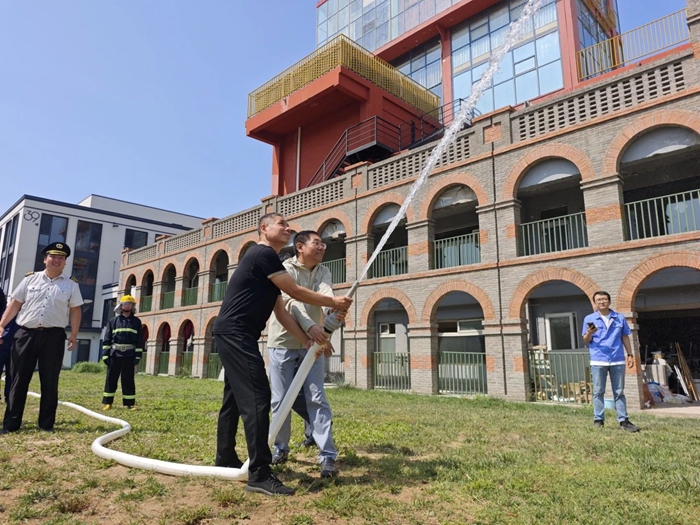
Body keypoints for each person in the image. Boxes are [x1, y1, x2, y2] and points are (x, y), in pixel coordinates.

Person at [213, 213, 352, 496]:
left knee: (234, 398)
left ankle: (225, 458)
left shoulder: (270, 263)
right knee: (258, 397)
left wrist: (306, 340)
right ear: (264, 229)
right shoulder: (262, 253)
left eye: (288, 226)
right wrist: (333, 301)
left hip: (236, 334)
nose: (288, 228)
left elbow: (281, 310)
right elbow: (295, 292)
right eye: (282, 224)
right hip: (236, 333)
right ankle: (260, 473)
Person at [267, 230, 342, 478]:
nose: (322, 248)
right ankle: (280, 448)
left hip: (312, 344)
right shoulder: (285, 269)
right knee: (281, 400)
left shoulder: (323, 270)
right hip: (283, 343)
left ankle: (327, 456)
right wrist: (311, 329)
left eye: (323, 244)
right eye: (316, 243)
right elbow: (292, 302)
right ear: (300, 246)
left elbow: (326, 293)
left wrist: (333, 311)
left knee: (317, 397)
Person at [0, 242, 83, 434]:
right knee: (18, 379)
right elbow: (15, 304)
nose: (56, 260)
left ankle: (46, 425)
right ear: (45, 259)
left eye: (61, 258)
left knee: (50, 380)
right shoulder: (30, 279)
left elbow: (75, 310)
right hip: (25, 334)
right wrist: (2, 325)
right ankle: (11, 424)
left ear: (65, 262)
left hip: (53, 336)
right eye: (53, 256)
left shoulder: (71, 284)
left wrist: (74, 334)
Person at [582, 291, 639, 432]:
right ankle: (598, 420)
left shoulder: (619, 317)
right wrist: (589, 333)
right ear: (595, 303)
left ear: (609, 301)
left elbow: (625, 337)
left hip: (617, 359)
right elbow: (586, 340)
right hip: (598, 360)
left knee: (619, 392)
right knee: (598, 391)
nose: (602, 302)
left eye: (604, 299)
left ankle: (624, 421)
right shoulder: (589, 318)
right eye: (598, 300)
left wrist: (630, 354)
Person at [101, 295, 143, 411]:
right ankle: (108, 403)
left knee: (128, 379)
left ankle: (129, 404)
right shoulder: (113, 321)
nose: (127, 306)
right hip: (114, 354)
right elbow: (107, 339)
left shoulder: (136, 322)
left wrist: (138, 356)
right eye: (125, 304)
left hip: (129, 355)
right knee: (111, 379)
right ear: (121, 306)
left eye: (130, 304)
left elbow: (139, 340)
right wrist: (105, 355)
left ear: (133, 306)